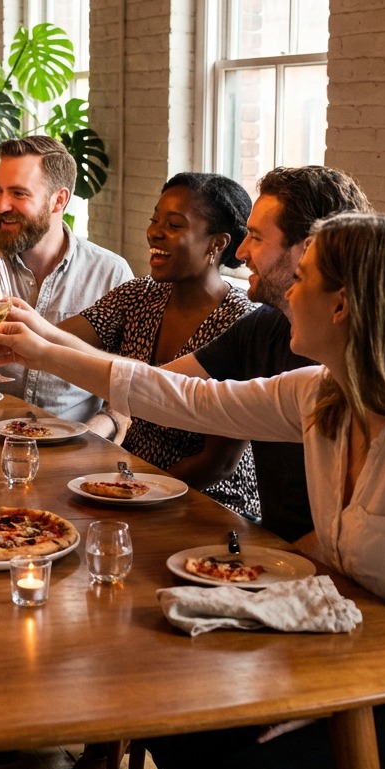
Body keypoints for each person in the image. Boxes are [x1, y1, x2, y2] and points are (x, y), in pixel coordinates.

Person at [0, 211, 385, 769]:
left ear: (341, 306)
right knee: (182, 719)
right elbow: (185, 398)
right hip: (347, 651)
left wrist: (315, 705)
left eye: (304, 277)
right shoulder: (320, 394)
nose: (288, 288)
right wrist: (44, 351)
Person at [5, 165, 371, 544]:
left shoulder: (359, 389)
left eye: (257, 238)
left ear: (311, 250)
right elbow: (167, 389)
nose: (241, 251)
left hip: (254, 537)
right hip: (274, 549)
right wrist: (40, 346)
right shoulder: (271, 337)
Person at [63, 172, 259, 519]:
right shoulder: (140, 296)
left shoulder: (241, 323)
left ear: (216, 244)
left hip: (210, 505)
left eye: (174, 224)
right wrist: (13, 326)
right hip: (132, 485)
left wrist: (138, 493)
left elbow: (220, 463)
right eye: (155, 219)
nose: (154, 231)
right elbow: (65, 340)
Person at [0, 136, 133, 422]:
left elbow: (130, 383)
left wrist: (100, 431)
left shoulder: (111, 273)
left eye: (18, 193)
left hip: (71, 447)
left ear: (58, 200)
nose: (1, 206)